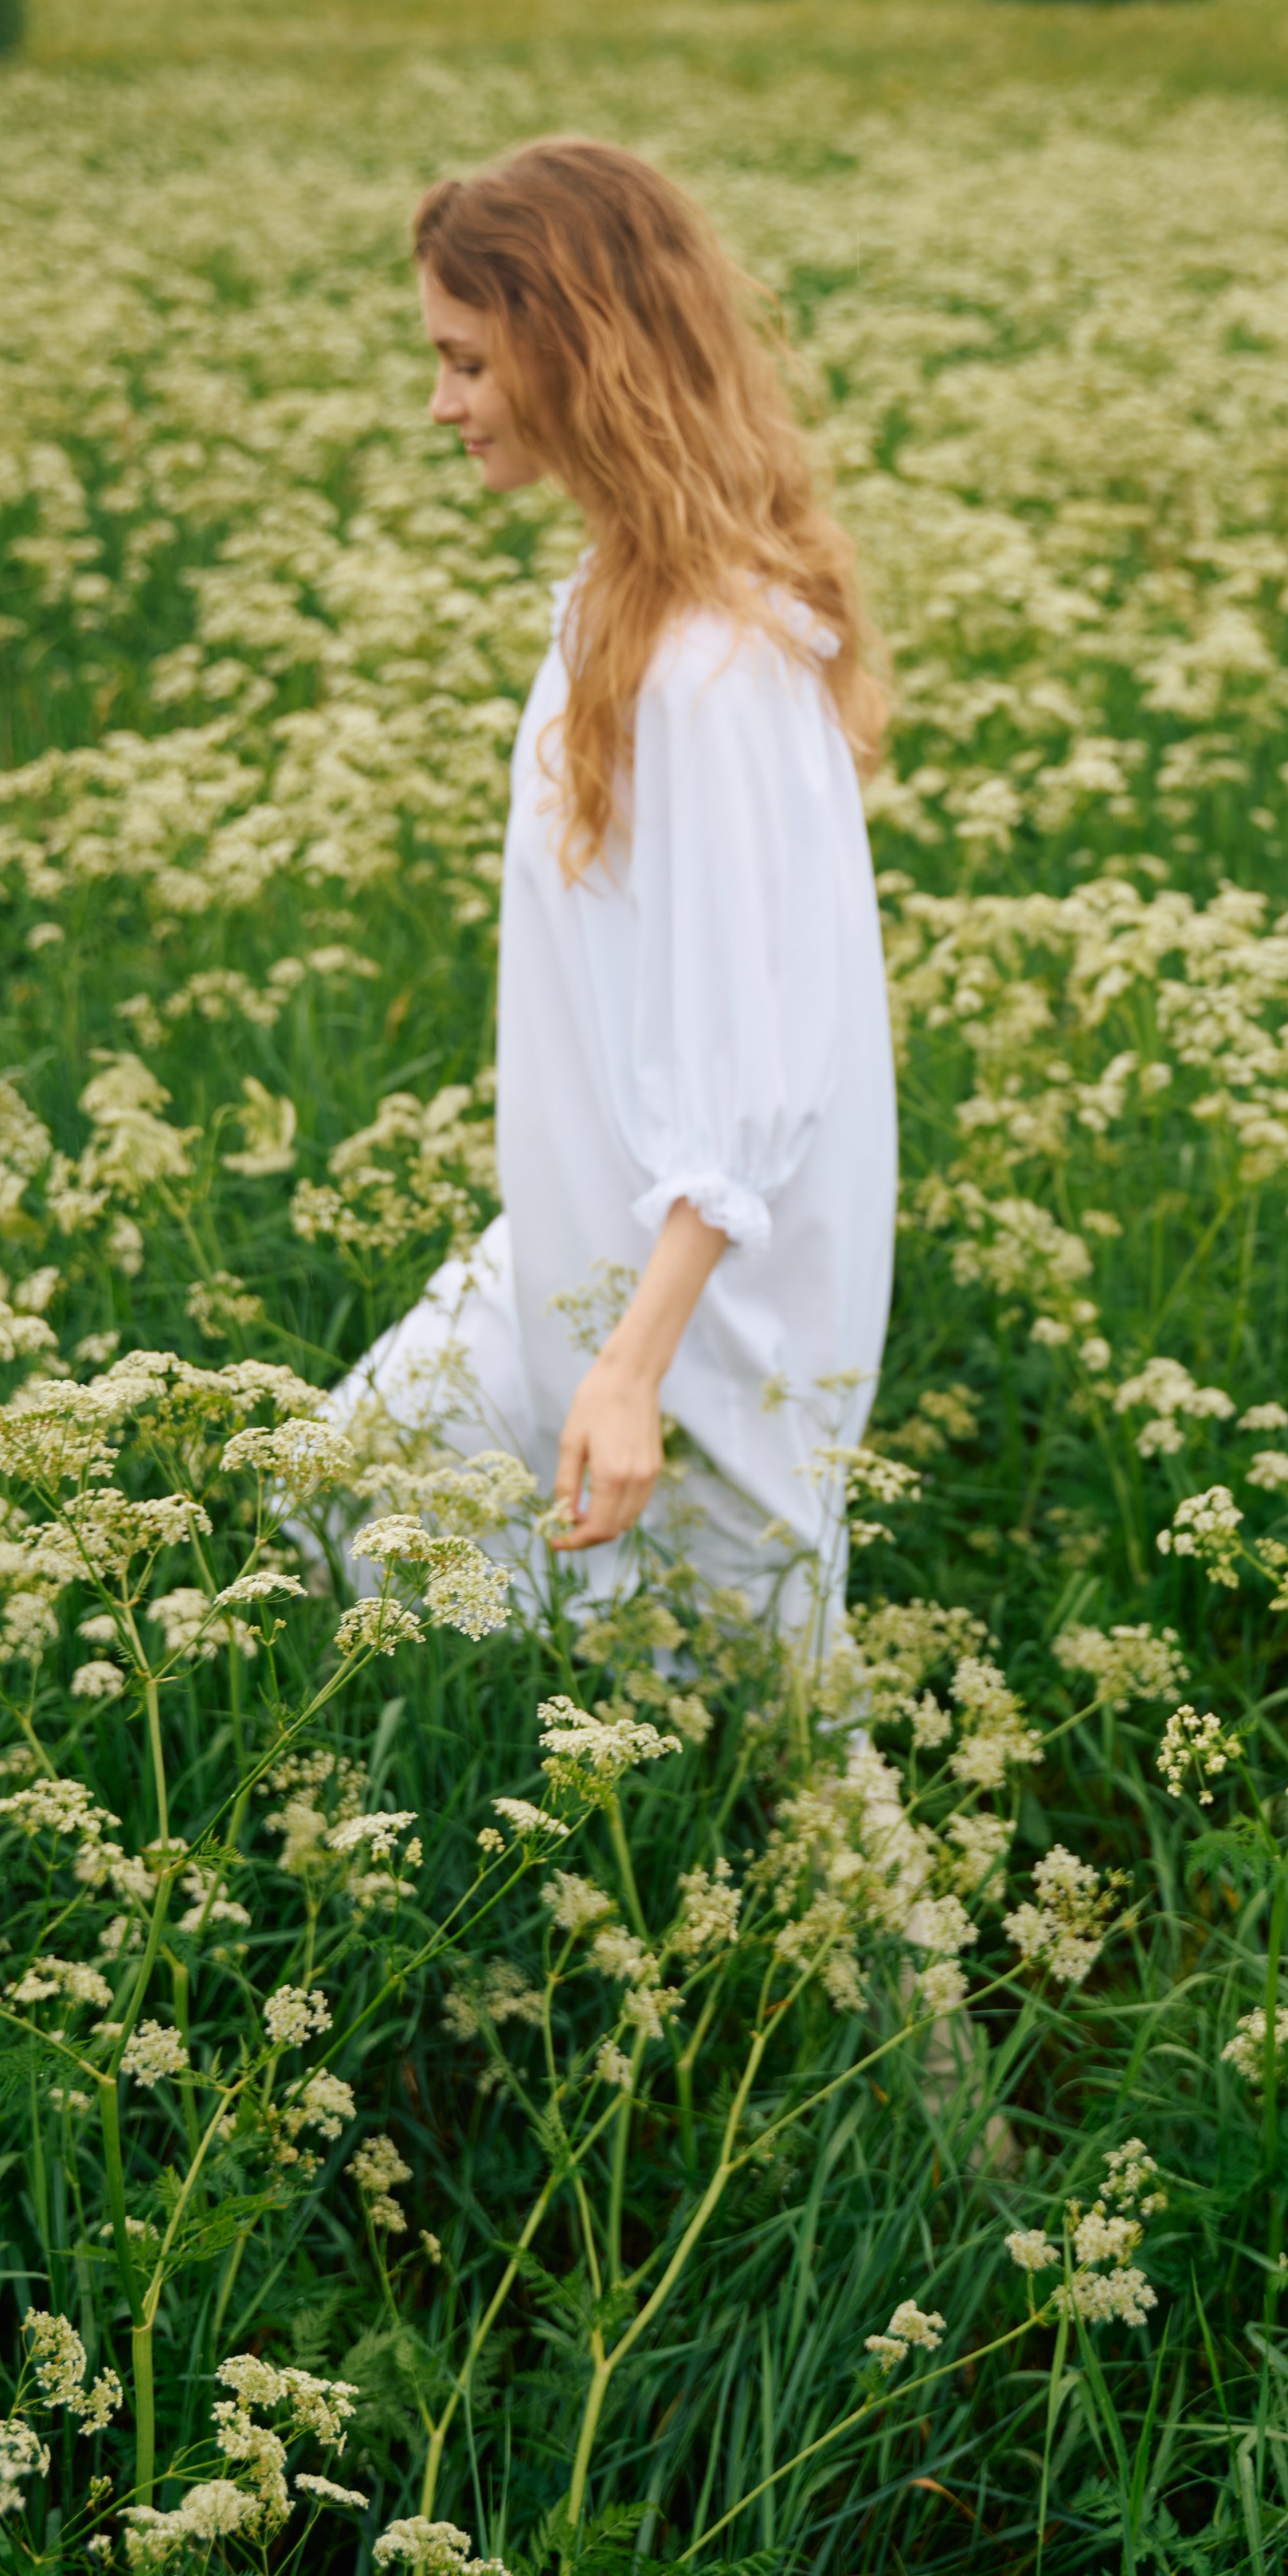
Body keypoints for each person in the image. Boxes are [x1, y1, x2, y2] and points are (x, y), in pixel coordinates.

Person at [334, 137, 896, 1652]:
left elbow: (750, 1069)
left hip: (700, 1322)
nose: (439, 404)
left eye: (466, 361)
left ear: (574, 351)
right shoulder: (620, 601)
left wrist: (632, 1371)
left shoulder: (709, 664)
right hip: (585, 1253)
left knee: (751, 1721)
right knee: (352, 1505)